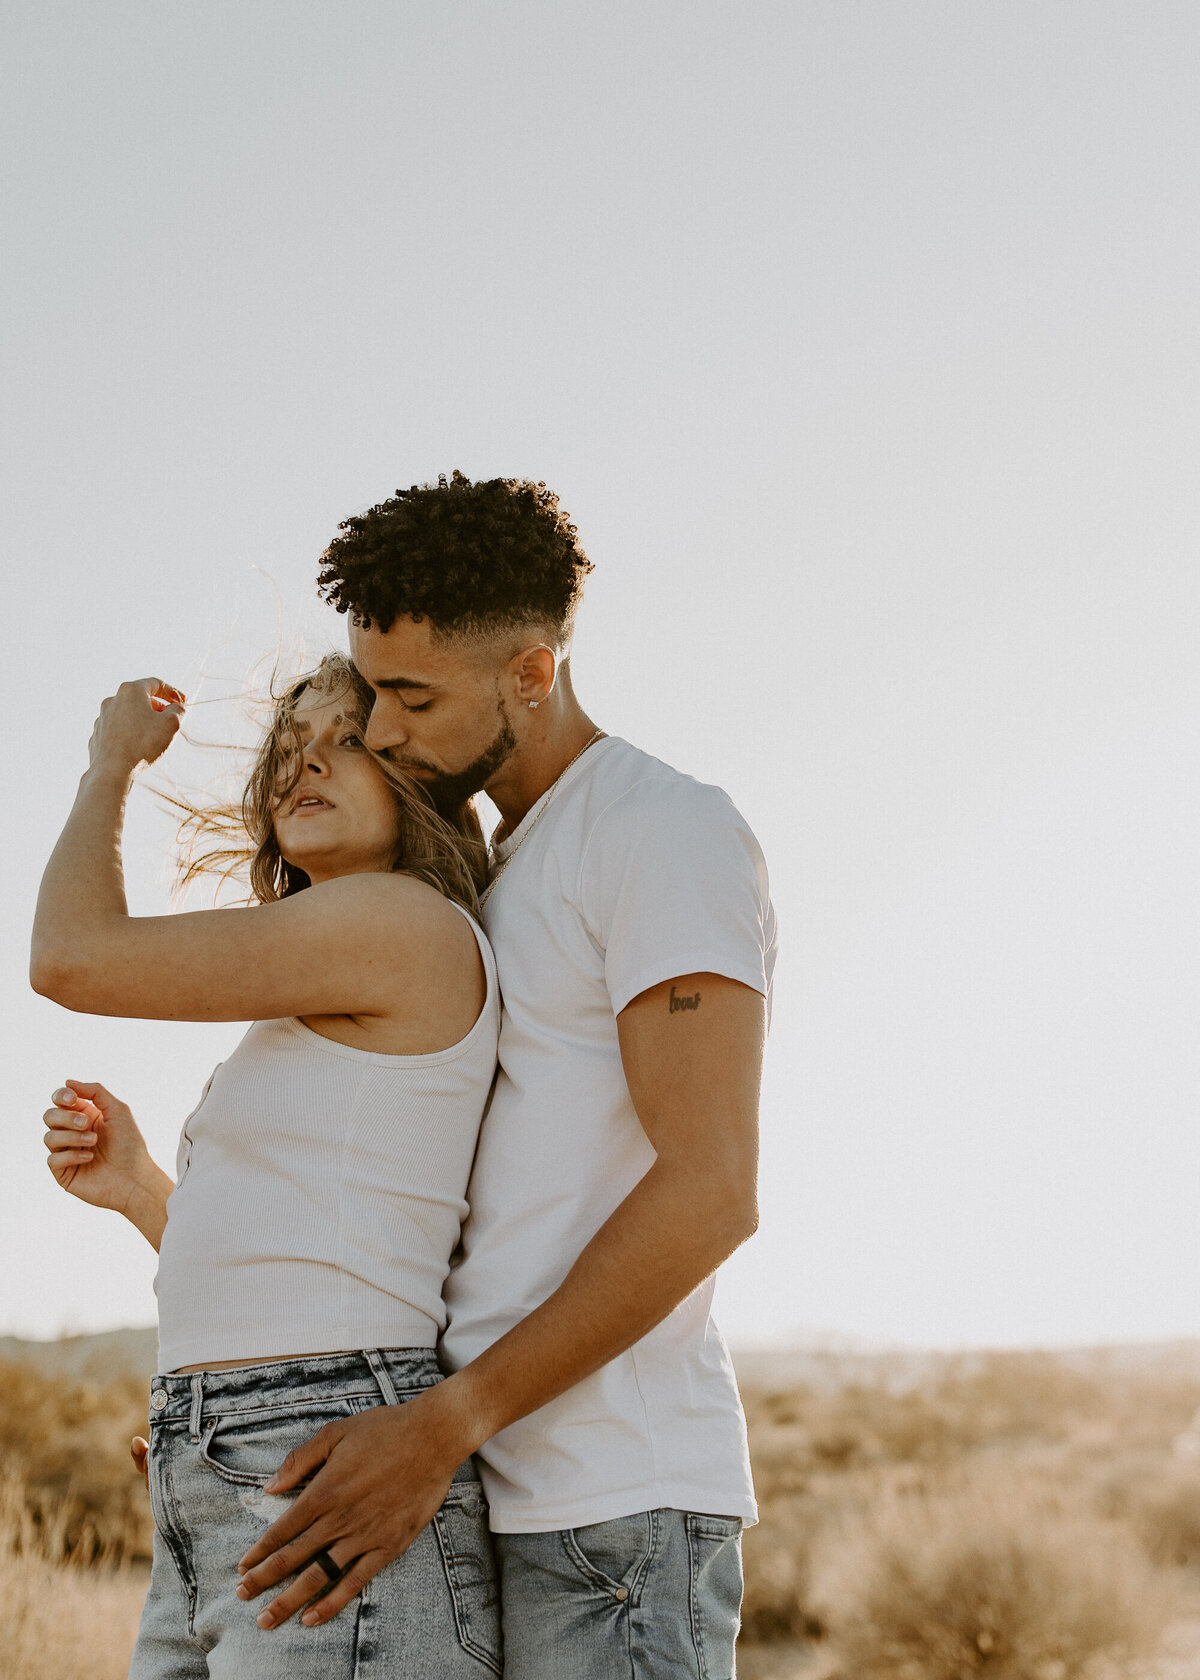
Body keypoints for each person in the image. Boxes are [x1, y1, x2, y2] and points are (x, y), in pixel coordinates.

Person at [234, 473, 778, 1680]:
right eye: (373, 690)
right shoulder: (498, 872)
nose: (379, 731)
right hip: (494, 1492)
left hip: (616, 1510)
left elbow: (712, 1190)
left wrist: (449, 1423)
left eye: (412, 697)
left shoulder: (657, 828)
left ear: (532, 673)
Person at [32, 653, 504, 1679]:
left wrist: (109, 763)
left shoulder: (399, 922)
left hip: (319, 1449)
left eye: (347, 740)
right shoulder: (310, 991)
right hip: (225, 1460)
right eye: (290, 749)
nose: (309, 762)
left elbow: (68, 955)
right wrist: (143, 1192)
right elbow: (312, 1250)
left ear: (415, 774)